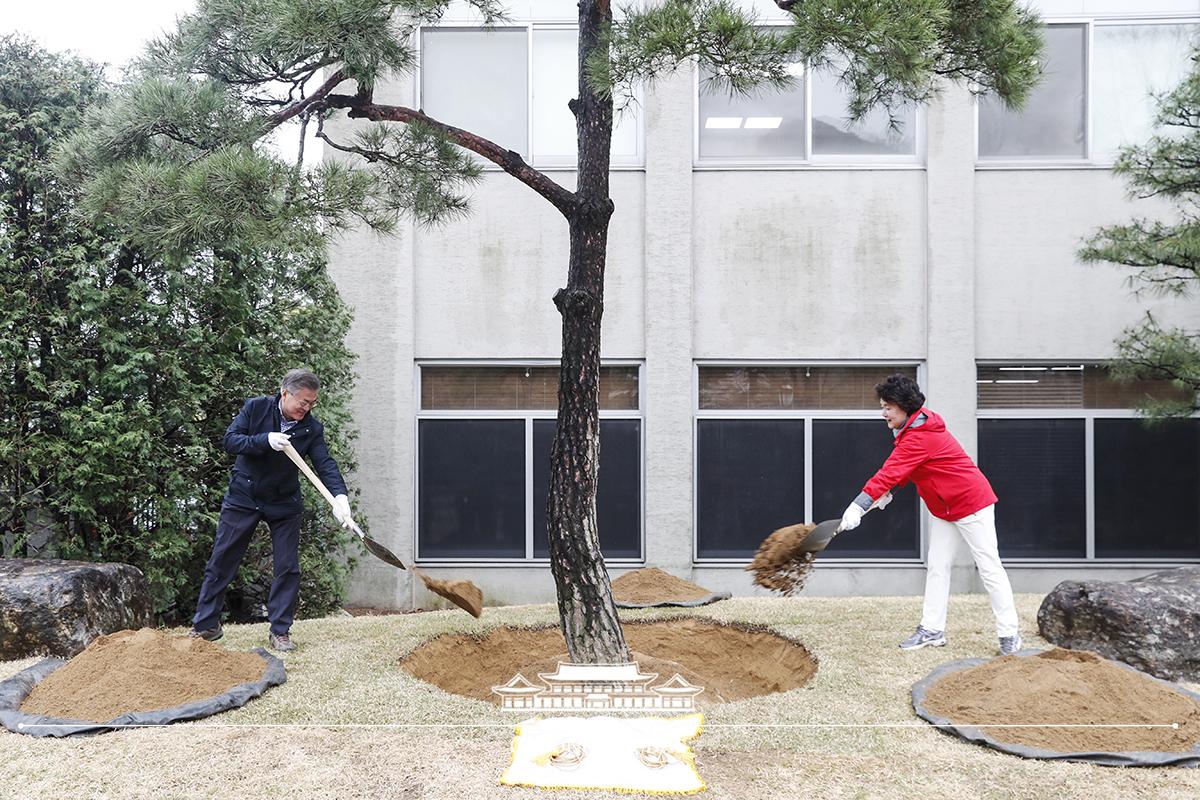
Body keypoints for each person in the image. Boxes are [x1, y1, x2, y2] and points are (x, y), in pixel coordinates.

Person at [839, 374, 1022, 656]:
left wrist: (859, 505)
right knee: (937, 566)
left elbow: (890, 471)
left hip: (971, 504)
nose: (883, 413)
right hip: (943, 508)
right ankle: (932, 630)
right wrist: (888, 494)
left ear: (904, 406)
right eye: (883, 406)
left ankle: (1009, 635)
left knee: (989, 568)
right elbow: (908, 471)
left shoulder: (920, 435)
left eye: (888, 407)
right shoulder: (911, 431)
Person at [189, 369, 353, 652]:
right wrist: (264, 440)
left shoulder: (311, 428)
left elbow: (324, 463)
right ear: (285, 393)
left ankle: (280, 631)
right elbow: (231, 440)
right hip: (244, 496)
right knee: (222, 560)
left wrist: (340, 498)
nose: (307, 408)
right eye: (303, 401)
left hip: (284, 503)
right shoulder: (256, 408)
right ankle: (206, 626)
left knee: (287, 567)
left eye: (312, 403)